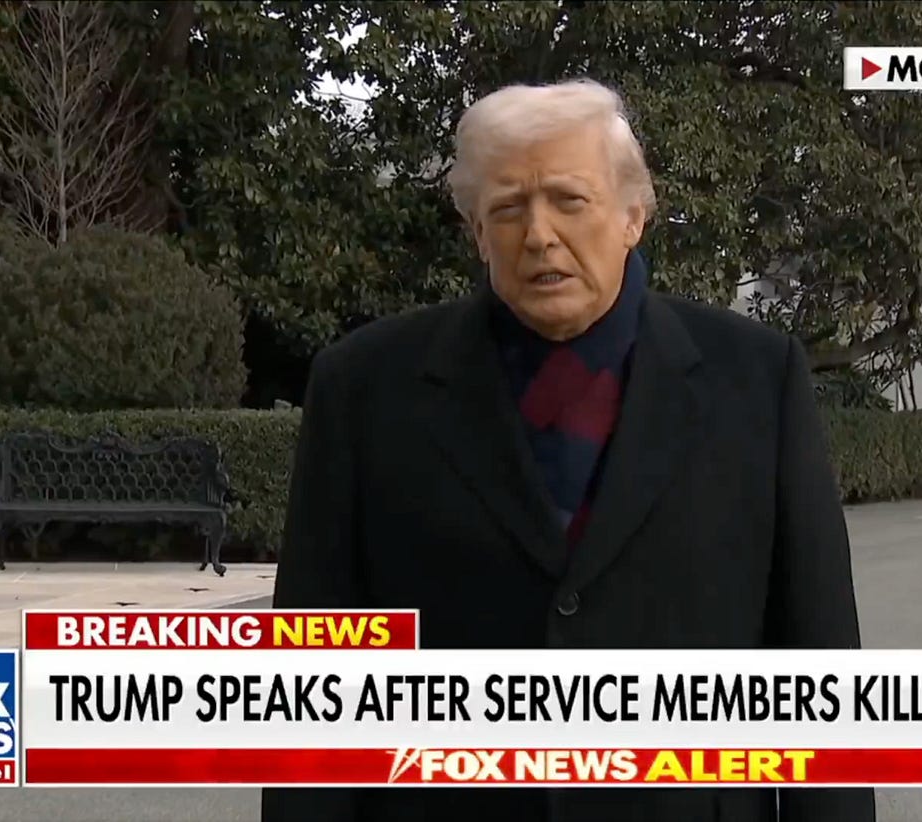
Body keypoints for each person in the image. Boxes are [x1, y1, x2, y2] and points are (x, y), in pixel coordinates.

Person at [263, 79, 874, 822]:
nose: (539, 234)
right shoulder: (366, 388)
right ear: (477, 233)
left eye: (569, 200)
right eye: (508, 209)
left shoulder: (755, 379)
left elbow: (817, 669)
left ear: (633, 215)